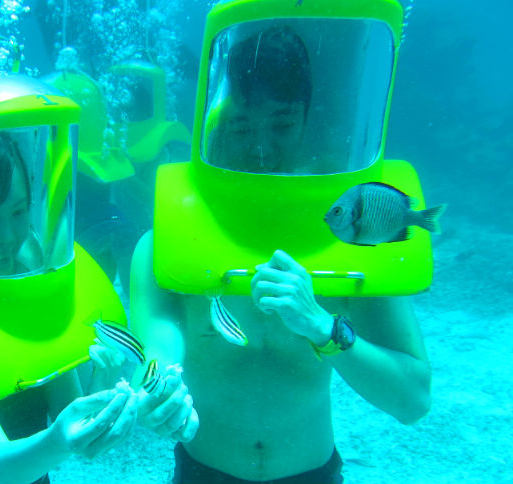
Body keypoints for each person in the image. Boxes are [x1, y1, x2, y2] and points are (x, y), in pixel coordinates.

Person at [131, 18, 432, 484]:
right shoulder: (165, 245)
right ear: (215, 120)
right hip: (202, 473)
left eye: (281, 123)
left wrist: (322, 328)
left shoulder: (351, 241)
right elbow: (159, 348)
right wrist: (157, 390)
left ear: (307, 120)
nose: (260, 147)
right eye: (241, 124)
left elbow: (413, 400)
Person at [0, 131, 197, 484]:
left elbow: (69, 409)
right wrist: (61, 439)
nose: (5, 236)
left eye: (18, 211)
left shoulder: (38, 298)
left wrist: (108, 387)